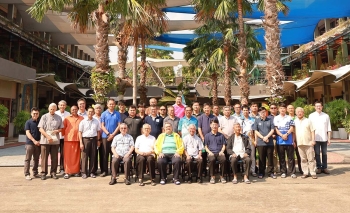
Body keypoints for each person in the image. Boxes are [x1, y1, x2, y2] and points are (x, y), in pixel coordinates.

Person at [38, 103, 63, 180]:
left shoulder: (58, 117)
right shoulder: (44, 116)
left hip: (55, 140)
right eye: (51, 109)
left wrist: (57, 130)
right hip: (45, 140)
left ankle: (53, 172)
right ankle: (43, 173)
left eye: (54, 109)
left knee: (54, 157)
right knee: (44, 157)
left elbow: (61, 128)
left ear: (56, 109)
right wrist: (47, 136)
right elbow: (40, 128)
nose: (52, 110)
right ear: (48, 109)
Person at [309, 101, 331, 174]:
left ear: (322, 107)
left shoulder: (326, 116)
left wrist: (329, 138)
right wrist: (311, 139)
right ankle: (319, 167)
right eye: (317, 106)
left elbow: (329, 128)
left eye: (320, 106)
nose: (318, 107)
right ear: (315, 107)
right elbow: (310, 128)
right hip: (315, 138)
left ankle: (324, 167)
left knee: (324, 153)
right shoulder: (311, 116)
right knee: (317, 153)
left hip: (324, 138)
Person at [253, 107, 276, 179]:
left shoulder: (270, 120)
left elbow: (272, 130)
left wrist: (267, 137)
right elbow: (256, 131)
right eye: (261, 112)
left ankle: (270, 172)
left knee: (270, 158)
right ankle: (261, 172)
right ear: (259, 113)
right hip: (260, 142)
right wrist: (263, 138)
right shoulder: (257, 120)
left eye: (264, 112)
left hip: (269, 142)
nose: (263, 113)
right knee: (261, 158)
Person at [62, 105, 84, 179]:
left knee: (77, 156)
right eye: (72, 109)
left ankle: (76, 171)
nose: (74, 111)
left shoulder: (81, 118)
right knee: (68, 156)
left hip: (78, 139)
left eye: (75, 109)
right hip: (68, 139)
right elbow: (63, 128)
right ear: (70, 110)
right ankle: (67, 172)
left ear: (77, 110)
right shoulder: (67, 118)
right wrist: (66, 135)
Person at [274, 103, 296, 178]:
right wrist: (282, 135)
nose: (282, 110)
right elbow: (276, 129)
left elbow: (292, 128)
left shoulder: (289, 118)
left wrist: (286, 134)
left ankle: (292, 172)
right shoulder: (276, 118)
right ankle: (283, 172)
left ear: (286, 109)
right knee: (282, 157)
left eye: (284, 108)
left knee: (290, 157)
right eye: (281, 108)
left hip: (289, 141)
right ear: (278, 109)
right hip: (280, 141)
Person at [100, 98, 121, 177]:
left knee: (115, 154)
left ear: (115, 105)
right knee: (105, 154)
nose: (111, 105)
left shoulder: (117, 114)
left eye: (113, 104)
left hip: (115, 137)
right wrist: (109, 134)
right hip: (105, 136)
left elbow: (119, 125)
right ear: (107, 105)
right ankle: (105, 171)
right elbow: (102, 125)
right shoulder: (104, 114)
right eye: (110, 104)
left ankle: (114, 171)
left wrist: (113, 135)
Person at [294, 107, 317, 179]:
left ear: (303, 113)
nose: (299, 113)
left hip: (308, 143)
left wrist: (313, 140)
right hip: (300, 143)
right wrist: (294, 141)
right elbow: (293, 133)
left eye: (301, 111)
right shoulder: (294, 121)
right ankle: (305, 172)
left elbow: (312, 131)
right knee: (303, 159)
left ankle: (312, 172)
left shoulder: (308, 120)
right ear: (296, 113)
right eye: (298, 112)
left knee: (311, 159)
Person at [79, 107, 101, 179]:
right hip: (85, 139)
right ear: (87, 112)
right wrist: (81, 143)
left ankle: (92, 172)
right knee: (84, 156)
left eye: (92, 112)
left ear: (93, 112)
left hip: (94, 139)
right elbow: (80, 132)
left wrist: (98, 140)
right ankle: (84, 172)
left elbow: (98, 131)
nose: (90, 113)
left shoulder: (96, 121)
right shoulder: (83, 121)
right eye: (89, 112)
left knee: (93, 156)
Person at [198, 103, 218, 176]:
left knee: (212, 154)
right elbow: (199, 128)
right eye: (205, 108)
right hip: (203, 139)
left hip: (212, 139)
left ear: (210, 109)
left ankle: (213, 170)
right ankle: (203, 170)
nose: (207, 109)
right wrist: (202, 137)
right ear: (203, 109)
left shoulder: (214, 117)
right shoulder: (200, 117)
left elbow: (216, 128)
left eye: (208, 108)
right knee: (203, 154)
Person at [204, 119, 227, 184]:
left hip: (219, 152)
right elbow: (205, 146)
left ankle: (222, 176)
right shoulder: (207, 135)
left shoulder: (221, 135)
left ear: (218, 125)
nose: (214, 126)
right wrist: (209, 152)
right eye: (213, 124)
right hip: (211, 152)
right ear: (210, 125)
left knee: (223, 159)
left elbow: (224, 145)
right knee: (212, 160)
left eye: (216, 124)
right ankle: (212, 176)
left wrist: (222, 151)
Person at [24, 107, 41, 180]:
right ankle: (27, 174)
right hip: (30, 143)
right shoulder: (28, 122)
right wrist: (34, 141)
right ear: (31, 114)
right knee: (28, 159)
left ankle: (35, 172)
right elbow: (28, 132)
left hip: (39, 143)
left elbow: (42, 131)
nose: (35, 115)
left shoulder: (40, 121)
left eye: (37, 113)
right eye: (34, 113)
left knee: (36, 159)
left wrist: (40, 141)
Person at [241, 105, 257, 177]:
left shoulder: (253, 120)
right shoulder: (240, 120)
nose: (245, 111)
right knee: (245, 155)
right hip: (243, 140)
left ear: (249, 111)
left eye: (246, 110)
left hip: (251, 139)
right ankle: (245, 170)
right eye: (244, 110)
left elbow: (255, 131)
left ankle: (253, 171)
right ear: (242, 111)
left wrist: (255, 140)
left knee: (252, 156)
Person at [55, 100, 70, 174]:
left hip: (64, 137)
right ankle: (53, 169)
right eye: (61, 105)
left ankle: (62, 168)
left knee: (63, 153)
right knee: (54, 153)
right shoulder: (55, 113)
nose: (62, 106)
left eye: (63, 105)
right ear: (58, 106)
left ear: (66, 106)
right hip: (56, 136)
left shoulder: (68, 114)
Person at [287, 104, 302, 174]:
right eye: (289, 108)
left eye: (292, 108)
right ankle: (292, 170)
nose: (291, 110)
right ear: (287, 110)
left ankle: (302, 169)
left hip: (298, 138)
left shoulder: (297, 117)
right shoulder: (286, 118)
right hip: (290, 139)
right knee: (291, 155)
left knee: (300, 155)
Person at [268, 103, 279, 174]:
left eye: (275, 108)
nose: (273, 109)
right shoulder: (268, 118)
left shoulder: (280, 116)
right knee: (274, 154)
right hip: (272, 138)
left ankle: (283, 169)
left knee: (282, 154)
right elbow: (267, 128)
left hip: (282, 137)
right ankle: (275, 169)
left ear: (277, 109)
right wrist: (271, 135)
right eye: (272, 108)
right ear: (270, 109)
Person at [93, 104, 103, 174]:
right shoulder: (92, 117)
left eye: (99, 108)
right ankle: (94, 169)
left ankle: (103, 169)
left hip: (103, 137)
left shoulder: (103, 116)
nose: (98, 109)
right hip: (95, 138)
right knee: (94, 154)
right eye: (96, 108)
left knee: (103, 154)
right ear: (94, 109)